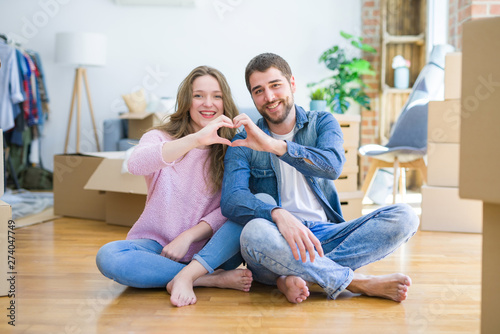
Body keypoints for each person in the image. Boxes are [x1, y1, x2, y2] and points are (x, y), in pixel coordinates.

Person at [221, 53, 419, 304]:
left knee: (405, 216)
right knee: (253, 233)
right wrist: (279, 214)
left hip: (325, 236)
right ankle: (356, 282)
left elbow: (332, 165)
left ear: (292, 84)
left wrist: (274, 145)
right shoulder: (242, 141)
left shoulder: (322, 122)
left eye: (275, 85)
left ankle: (292, 276)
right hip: (277, 238)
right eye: (258, 91)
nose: (269, 97)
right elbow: (231, 199)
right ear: (252, 97)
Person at [96, 65, 252, 308]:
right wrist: (195, 140)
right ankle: (205, 280)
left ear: (225, 103)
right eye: (198, 95)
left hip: (212, 251)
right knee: (109, 257)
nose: (207, 103)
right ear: (186, 101)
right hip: (157, 245)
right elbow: (135, 164)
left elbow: (231, 206)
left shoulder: (233, 145)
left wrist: (188, 237)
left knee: (250, 207)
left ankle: (191, 273)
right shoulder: (160, 137)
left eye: (216, 96)